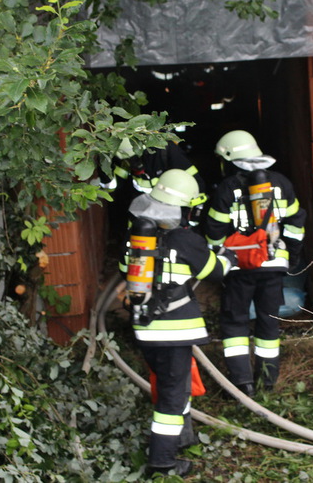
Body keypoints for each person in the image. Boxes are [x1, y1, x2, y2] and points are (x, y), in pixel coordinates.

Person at [121, 169, 236, 477]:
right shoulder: (185, 240)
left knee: (172, 386)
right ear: (185, 208)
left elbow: (124, 269)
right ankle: (162, 463)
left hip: (145, 329)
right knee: (171, 400)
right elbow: (214, 272)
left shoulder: (136, 238)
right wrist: (229, 258)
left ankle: (182, 439)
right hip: (174, 332)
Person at [203, 130, 306, 397]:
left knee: (234, 322)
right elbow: (295, 224)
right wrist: (291, 257)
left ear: (229, 159)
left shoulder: (227, 188)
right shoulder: (282, 183)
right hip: (274, 264)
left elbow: (214, 230)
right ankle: (267, 383)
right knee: (269, 322)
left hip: (239, 267)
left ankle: (242, 384)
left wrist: (219, 262)